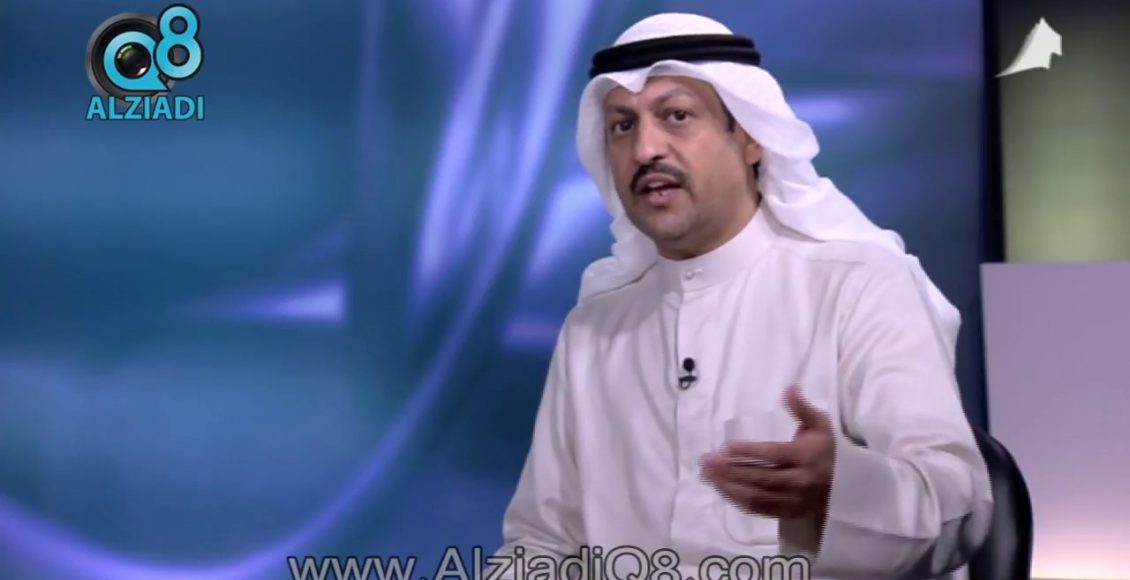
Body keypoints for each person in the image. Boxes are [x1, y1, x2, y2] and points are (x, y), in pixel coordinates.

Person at [493, 12, 993, 580]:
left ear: (752, 136)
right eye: (622, 126)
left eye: (677, 115)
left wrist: (840, 491)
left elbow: (959, 505)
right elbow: (543, 542)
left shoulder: (859, 286)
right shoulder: (593, 329)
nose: (645, 148)